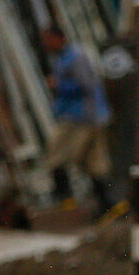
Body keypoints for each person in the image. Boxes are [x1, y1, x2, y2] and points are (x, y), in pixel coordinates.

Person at [39, 26, 119, 215]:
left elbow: (87, 85)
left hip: (80, 117)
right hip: (89, 116)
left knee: (55, 155)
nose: (45, 44)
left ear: (57, 38)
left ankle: (64, 198)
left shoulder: (75, 57)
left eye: (47, 39)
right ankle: (111, 203)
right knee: (95, 162)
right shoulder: (69, 57)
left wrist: (59, 85)